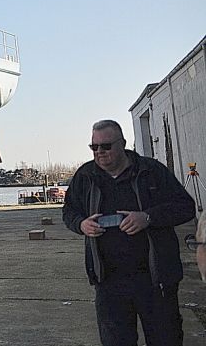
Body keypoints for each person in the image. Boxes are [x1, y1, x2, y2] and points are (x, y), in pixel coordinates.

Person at [62, 119, 194, 346]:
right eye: (94, 147)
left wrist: (148, 218)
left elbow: (185, 207)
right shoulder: (85, 176)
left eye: (106, 146)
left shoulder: (151, 171)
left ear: (122, 144)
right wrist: (81, 224)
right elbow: (69, 211)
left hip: (155, 280)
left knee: (166, 339)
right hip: (109, 282)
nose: (100, 152)